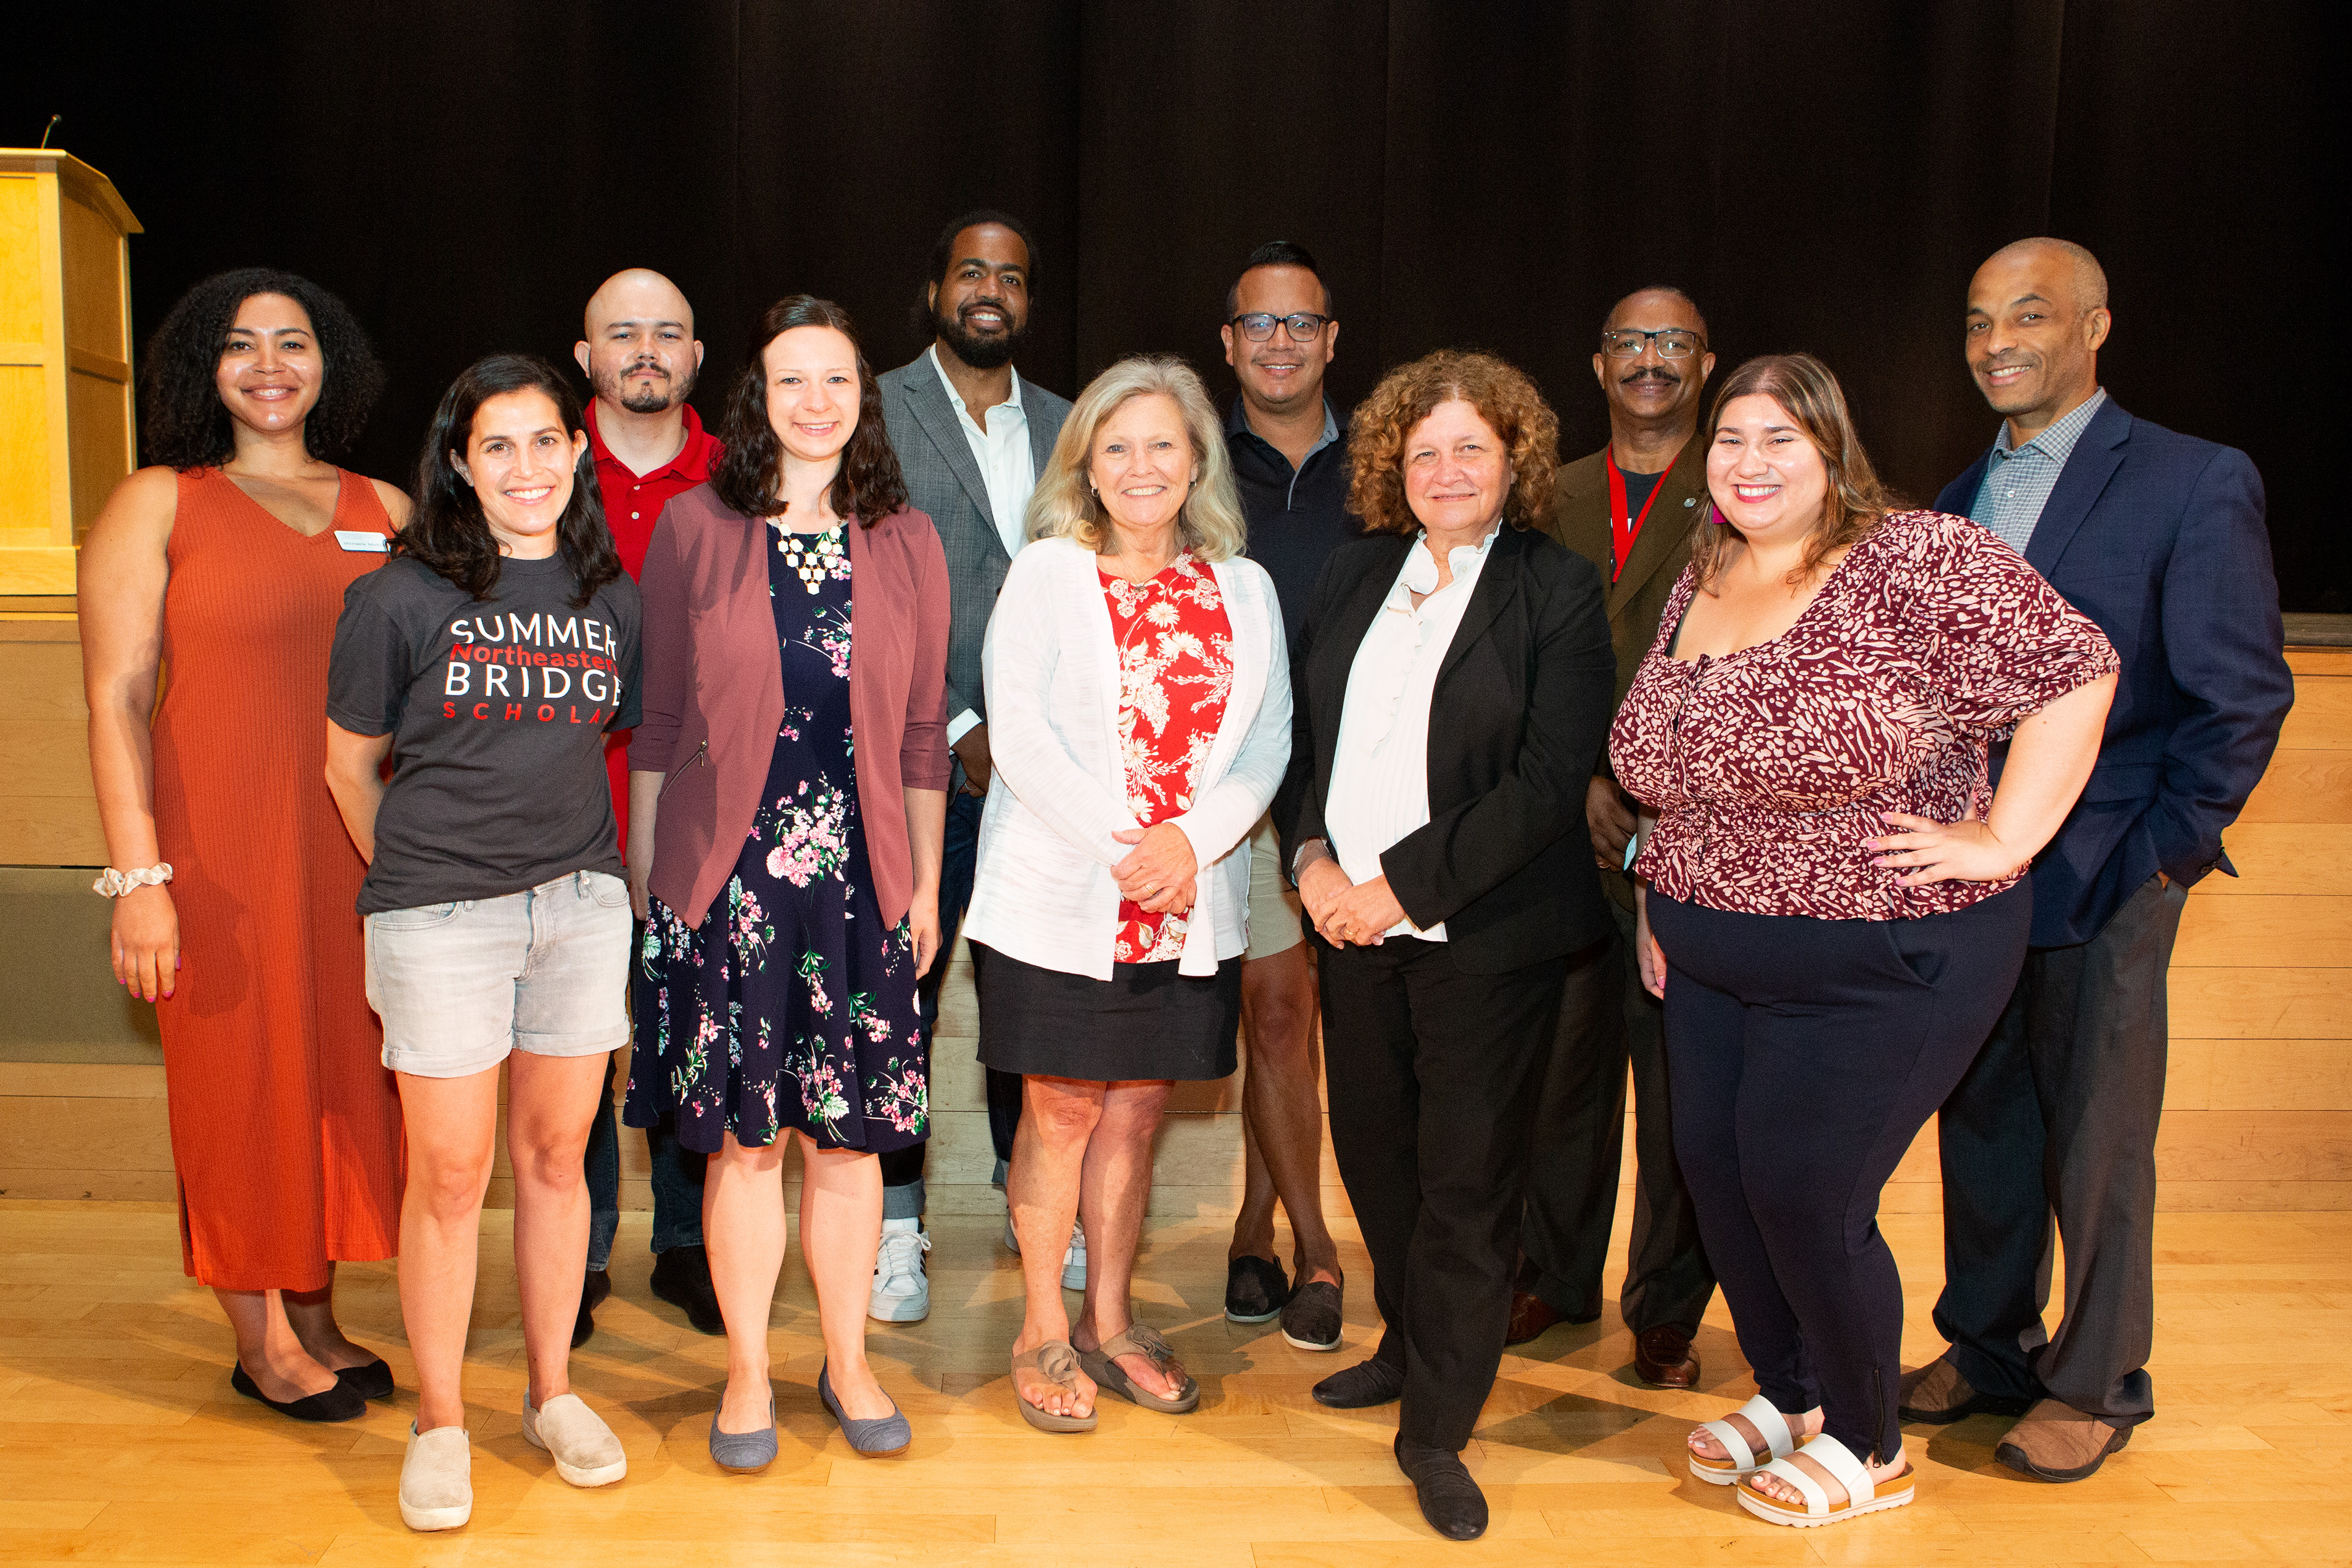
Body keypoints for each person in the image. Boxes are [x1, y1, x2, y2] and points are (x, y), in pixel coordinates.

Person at [1611, 353, 2118, 1530]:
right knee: (1723, 1180)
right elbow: (1678, 772)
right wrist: (1659, 890)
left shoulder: (1914, 558)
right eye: (1730, 440)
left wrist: (2005, 836)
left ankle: (1869, 1439)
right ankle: (1794, 1394)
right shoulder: (1707, 572)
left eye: (1779, 439)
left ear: (1832, 449)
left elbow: (2074, 674)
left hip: (1887, 955)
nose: (1750, 463)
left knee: (1805, 1184)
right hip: (1708, 948)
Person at [1900, 239, 2293, 1480]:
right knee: (1986, 1120)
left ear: (2094, 326)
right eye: (1975, 321)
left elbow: (2240, 695)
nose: (1995, 341)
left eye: (2027, 315)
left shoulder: (2190, 478)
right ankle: (1990, 1345)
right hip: (1980, 878)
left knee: (2098, 1136)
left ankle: (2098, 1376)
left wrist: (2164, 854)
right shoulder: (1953, 498)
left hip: (2110, 867)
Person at [1284, 350, 1614, 1540]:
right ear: (1392, 468)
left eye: (1471, 446)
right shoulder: (1357, 569)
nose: (1447, 468)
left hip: (1488, 935)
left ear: (1514, 459)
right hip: (1348, 926)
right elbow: (1305, 740)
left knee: (1468, 1188)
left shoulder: (1557, 587)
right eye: (1424, 451)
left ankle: (1437, 1428)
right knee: (1378, 1160)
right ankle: (1411, 1346)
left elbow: (1543, 784)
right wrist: (1313, 863)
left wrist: (1394, 887)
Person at [624, 297, 949, 1468]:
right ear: (757, 397)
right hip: (732, 885)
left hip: (864, 882)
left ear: (865, 397)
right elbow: (658, 724)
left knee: (853, 1145)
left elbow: (922, 738)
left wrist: (924, 887)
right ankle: (751, 1369)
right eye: (791, 381)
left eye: (838, 381)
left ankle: (849, 1359)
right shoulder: (697, 530)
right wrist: (654, 888)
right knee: (748, 1146)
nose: (816, 402)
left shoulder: (907, 538)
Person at [78, 268, 406, 1425]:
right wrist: (140, 881)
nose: (269, 363)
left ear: (333, 364)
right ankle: (260, 1339)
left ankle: (315, 1310)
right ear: (201, 369)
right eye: (239, 344)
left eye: (293, 341)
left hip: (354, 849)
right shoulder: (161, 500)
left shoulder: (387, 507)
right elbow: (116, 698)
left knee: (339, 1077)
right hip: (215, 848)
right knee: (238, 1081)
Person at [325, 354, 641, 1530]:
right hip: (438, 916)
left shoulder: (610, 597)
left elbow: (610, 744)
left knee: (559, 1158)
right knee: (452, 1176)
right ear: (460, 462)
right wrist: (418, 883)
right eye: (497, 445)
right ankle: (442, 1418)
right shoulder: (401, 596)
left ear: (577, 451)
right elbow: (347, 768)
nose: (526, 466)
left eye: (546, 441)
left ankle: (553, 1392)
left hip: (579, 909)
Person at [965, 356, 1290, 1436]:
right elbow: (1020, 736)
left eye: (1163, 443)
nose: (1142, 466)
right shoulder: (1049, 573)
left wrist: (1190, 844)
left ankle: (1111, 1319)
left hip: (1191, 894)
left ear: (1198, 457)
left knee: (1141, 1107)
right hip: (1062, 888)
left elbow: (1271, 738)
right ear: (1087, 468)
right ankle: (1040, 1328)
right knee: (1059, 1107)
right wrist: (1128, 847)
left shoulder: (1245, 586)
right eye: (1118, 448)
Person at [876, 209, 1077, 1315]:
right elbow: (868, 586)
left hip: (1048, 775)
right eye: (970, 271)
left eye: (1011, 274)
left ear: (1030, 301)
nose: (989, 289)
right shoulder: (875, 411)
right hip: (920, 758)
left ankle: (1028, 1195)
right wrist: (959, 726)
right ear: (939, 287)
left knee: (1025, 995)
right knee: (906, 994)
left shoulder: (1070, 422)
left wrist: (1039, 741)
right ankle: (897, 1226)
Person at [1519, 286, 1720, 1383]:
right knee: (1562, 1074)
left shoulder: (1744, 487)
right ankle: (1551, 1273)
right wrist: (1582, 778)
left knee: (1681, 1084)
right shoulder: (1550, 495)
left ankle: (1667, 1304)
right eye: (1630, 342)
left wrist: (1649, 791)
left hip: (1687, 837)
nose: (1650, 359)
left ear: (1705, 361)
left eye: (1673, 342)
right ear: (1597, 365)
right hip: (1559, 831)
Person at [570, 267, 725, 1345]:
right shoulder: (533, 466)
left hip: (705, 821)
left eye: (667, 333)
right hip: (558, 818)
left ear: (695, 358)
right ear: (585, 357)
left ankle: (687, 1244)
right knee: (573, 1048)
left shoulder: (740, 479)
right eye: (622, 334)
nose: (645, 351)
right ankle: (573, 1254)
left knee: (685, 1038)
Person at [1215, 241, 1357, 1349]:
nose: (1279, 343)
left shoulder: (1389, 463)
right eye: (1258, 324)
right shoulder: (1195, 466)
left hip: (1362, 790)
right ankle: (1318, 1249)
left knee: (1305, 1020)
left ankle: (1257, 1224)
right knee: (1274, 1011)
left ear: (1330, 339)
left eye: (1298, 323)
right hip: (1236, 789)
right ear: (1229, 343)